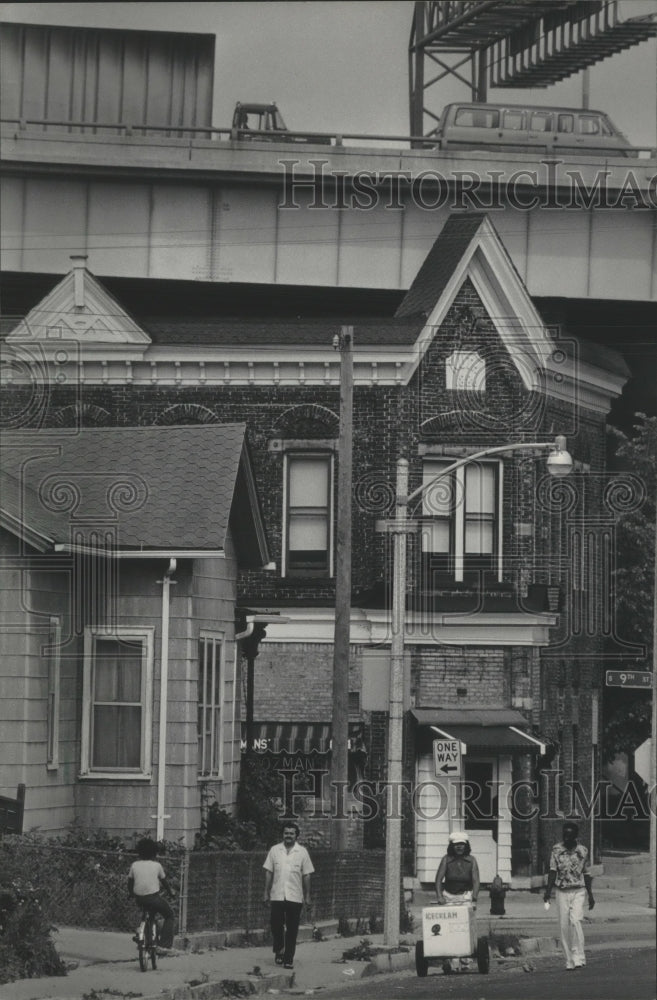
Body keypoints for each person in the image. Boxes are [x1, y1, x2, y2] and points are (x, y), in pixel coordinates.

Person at [543, 820, 595, 970]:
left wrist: (591, 895)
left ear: (576, 836)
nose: (566, 838)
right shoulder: (556, 850)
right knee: (564, 926)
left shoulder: (583, 851)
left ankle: (578, 955)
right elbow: (553, 871)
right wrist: (548, 891)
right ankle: (569, 960)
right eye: (565, 835)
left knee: (576, 921)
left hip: (578, 890)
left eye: (570, 836)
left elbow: (587, 873)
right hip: (562, 891)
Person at [263, 822, 314, 970]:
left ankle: (288, 958)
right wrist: (265, 892)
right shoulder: (274, 850)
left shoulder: (302, 852)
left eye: (291, 833)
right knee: (275, 925)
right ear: (282, 834)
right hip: (277, 895)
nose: (288, 836)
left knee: (292, 929)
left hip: (295, 896)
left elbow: (307, 875)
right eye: (286, 833)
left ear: (296, 836)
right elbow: (269, 872)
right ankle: (279, 949)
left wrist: (308, 896)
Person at [434, 831, 480, 974]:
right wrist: (440, 896)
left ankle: (466, 959)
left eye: (461, 844)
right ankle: (451, 960)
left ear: (466, 846)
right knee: (448, 927)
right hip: (449, 896)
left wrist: (474, 898)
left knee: (465, 927)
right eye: (456, 845)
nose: (459, 847)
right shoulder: (446, 860)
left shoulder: (471, 860)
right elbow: (438, 880)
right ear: (451, 846)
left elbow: (476, 880)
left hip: (465, 896)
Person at [127, 837, 175, 952]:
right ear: (154, 852)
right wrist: (171, 892)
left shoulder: (134, 865)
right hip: (153, 898)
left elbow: (130, 883)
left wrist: (131, 894)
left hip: (139, 898)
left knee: (149, 915)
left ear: (139, 852)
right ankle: (164, 946)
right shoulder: (157, 865)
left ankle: (143, 935)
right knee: (169, 915)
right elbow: (164, 882)